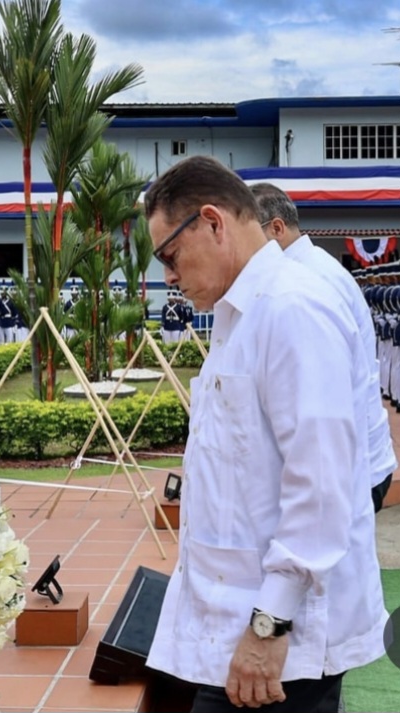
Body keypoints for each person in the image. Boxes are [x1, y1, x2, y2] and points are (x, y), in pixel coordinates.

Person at [144, 155, 386, 713]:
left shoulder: (291, 308)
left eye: (169, 256)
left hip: (282, 640)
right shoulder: (243, 313)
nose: (169, 277)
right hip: (246, 622)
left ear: (212, 222)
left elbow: (320, 486)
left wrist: (269, 624)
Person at [251, 181, 396, 512]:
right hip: (348, 463)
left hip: (348, 470)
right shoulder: (304, 270)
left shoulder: (310, 281)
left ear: (276, 229)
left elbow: (322, 389)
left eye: (249, 233)